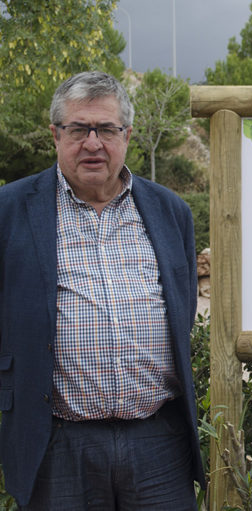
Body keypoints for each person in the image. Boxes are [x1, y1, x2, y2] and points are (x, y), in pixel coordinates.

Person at [0, 71, 205, 509]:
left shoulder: (171, 212)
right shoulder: (10, 210)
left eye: (106, 129)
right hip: (57, 444)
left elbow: (181, 311)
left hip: (159, 442)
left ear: (126, 135)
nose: (93, 143)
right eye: (78, 129)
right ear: (55, 134)